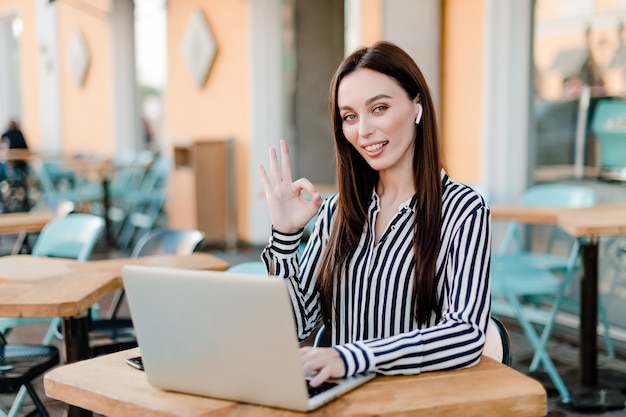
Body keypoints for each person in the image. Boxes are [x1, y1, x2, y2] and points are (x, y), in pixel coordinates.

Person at [258, 41, 491, 388]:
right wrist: (285, 237)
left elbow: (466, 334)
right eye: (349, 116)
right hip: (341, 402)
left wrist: (352, 358)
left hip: (416, 404)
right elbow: (294, 325)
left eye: (379, 108)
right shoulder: (338, 212)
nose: (362, 130)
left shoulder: (462, 209)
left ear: (417, 106)